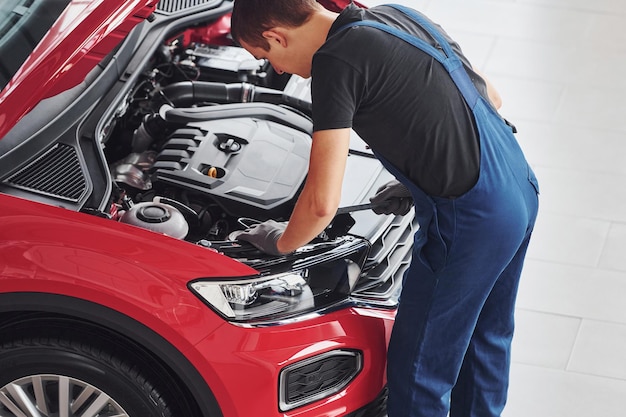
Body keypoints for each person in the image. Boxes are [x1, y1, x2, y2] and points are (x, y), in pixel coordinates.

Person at [230, 1, 539, 416]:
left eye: (267, 58)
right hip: (516, 185)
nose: (279, 71)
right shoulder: (396, 14)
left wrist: (280, 242)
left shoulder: (334, 62)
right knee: (486, 340)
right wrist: (422, 177)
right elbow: (490, 98)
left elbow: (322, 204)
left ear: (275, 36)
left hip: (471, 220)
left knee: (418, 370)